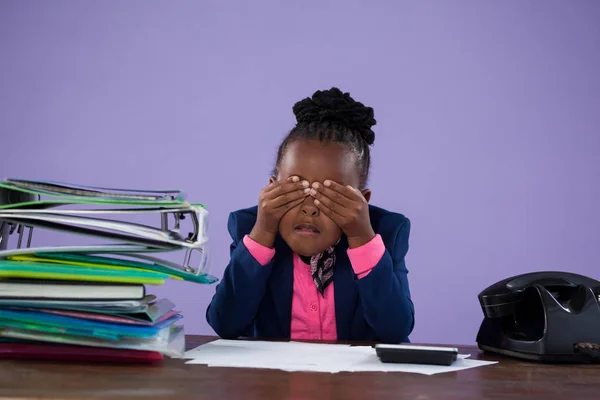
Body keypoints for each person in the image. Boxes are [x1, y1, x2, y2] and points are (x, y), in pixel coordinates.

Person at [206, 87, 415, 343]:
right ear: (272, 188)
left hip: (357, 381)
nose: (310, 207)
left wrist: (362, 236)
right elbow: (225, 323)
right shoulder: (250, 228)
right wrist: (263, 233)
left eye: (329, 193)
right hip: (273, 380)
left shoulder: (386, 233)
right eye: (296, 187)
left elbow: (395, 329)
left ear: (362, 202)